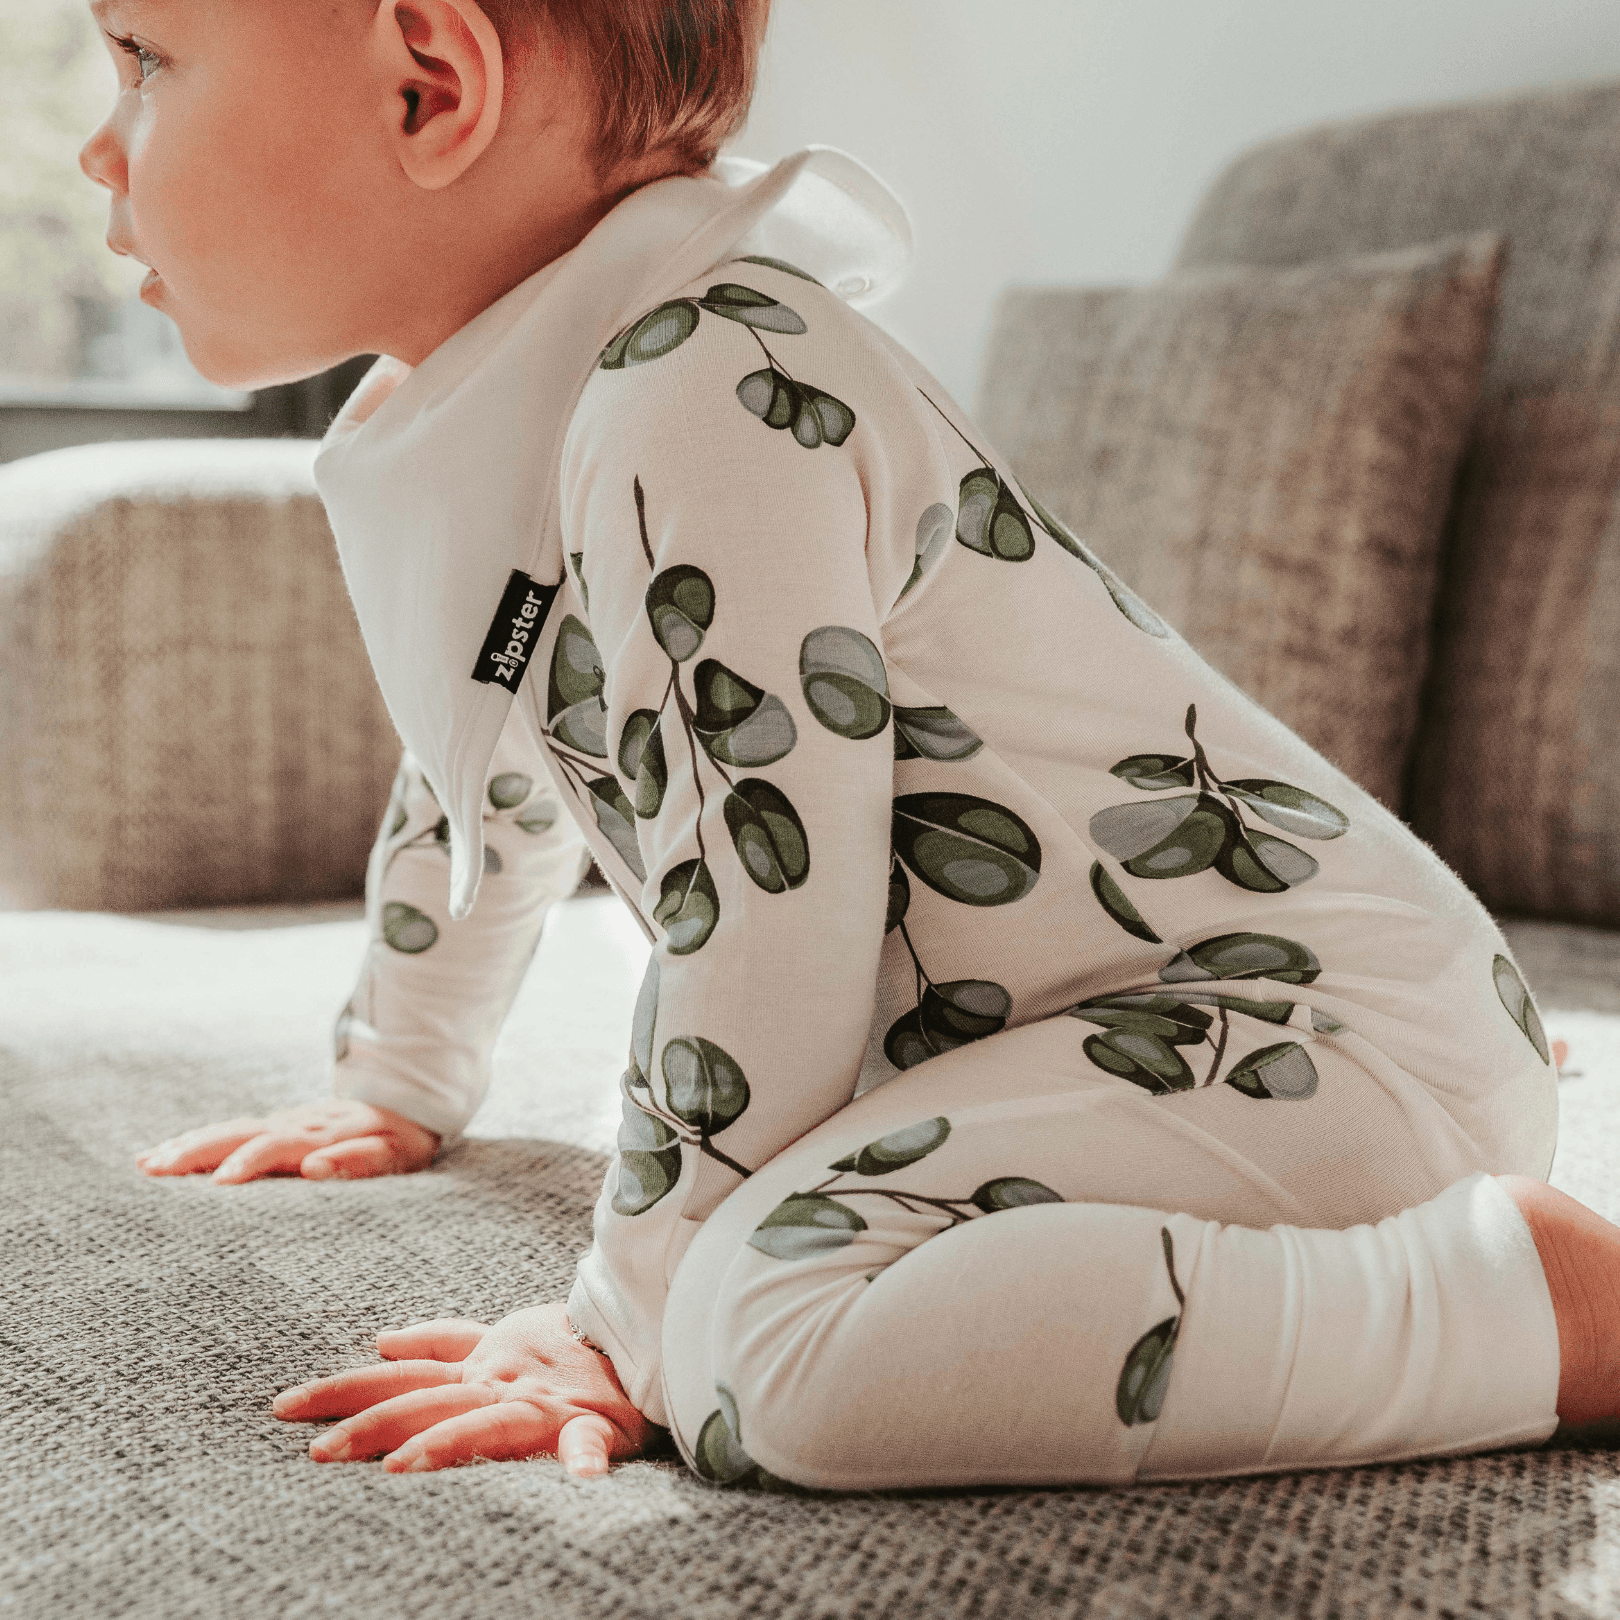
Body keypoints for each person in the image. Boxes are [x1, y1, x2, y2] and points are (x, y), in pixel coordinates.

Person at [86, 0, 1620, 1490]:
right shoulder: (508, 404)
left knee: (762, 1347)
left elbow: (766, 906)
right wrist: (399, 1072)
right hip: (1138, 1033)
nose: (99, 148)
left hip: (1305, 1018)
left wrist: (624, 1319)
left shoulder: (706, 385)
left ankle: (1530, 1308)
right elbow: (486, 736)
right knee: (740, 1307)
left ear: (431, 84)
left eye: (144, 58)